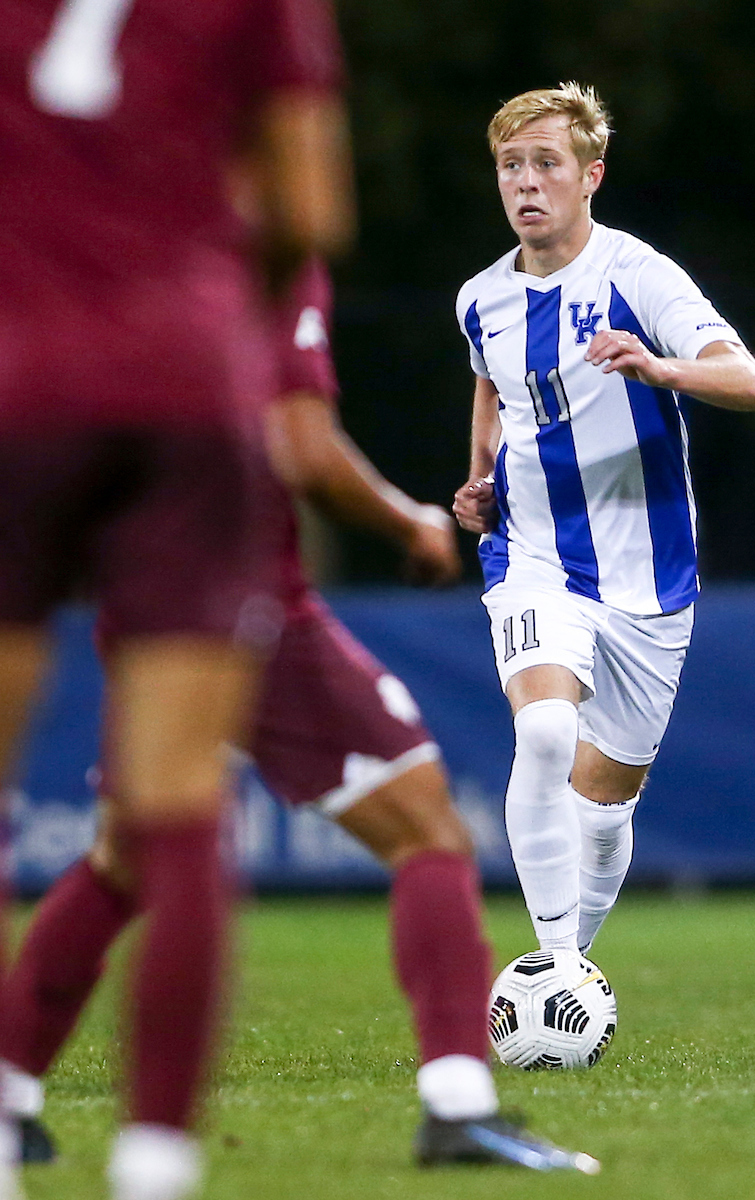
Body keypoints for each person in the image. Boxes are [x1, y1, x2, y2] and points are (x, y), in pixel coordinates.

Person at [0, 259, 600, 1178]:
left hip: (142, 606)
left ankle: (9, 1103)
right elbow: (302, 444)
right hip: (250, 609)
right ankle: (457, 1106)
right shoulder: (259, 254)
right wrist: (409, 522)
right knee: (428, 829)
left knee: (124, 857)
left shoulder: (118, 270)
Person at [0, 2, 353, 1198]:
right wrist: (202, 306)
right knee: (177, 803)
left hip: (15, 383)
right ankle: (155, 1168)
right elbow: (308, 210)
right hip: (189, 382)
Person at [452, 83, 755, 973]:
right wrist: (478, 478)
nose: (525, 183)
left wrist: (656, 365)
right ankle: (552, 969)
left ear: (590, 175)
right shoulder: (482, 299)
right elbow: (492, 385)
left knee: (603, 812)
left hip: (649, 574)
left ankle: (570, 966)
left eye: (545, 163)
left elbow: (751, 384)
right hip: (533, 555)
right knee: (546, 734)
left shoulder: (639, 275)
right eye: (511, 166)